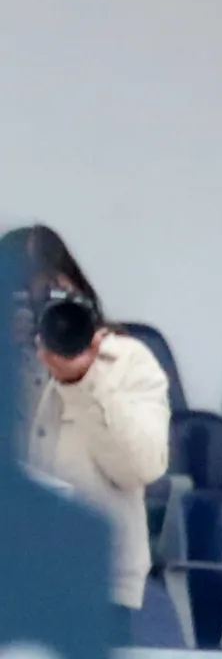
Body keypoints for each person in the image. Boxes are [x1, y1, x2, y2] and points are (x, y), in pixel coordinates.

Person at [1, 225, 169, 631]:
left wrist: (83, 380)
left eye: (50, 297)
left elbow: (142, 465)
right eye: (23, 301)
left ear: (77, 291)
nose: (38, 315)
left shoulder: (125, 361)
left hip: (93, 587)